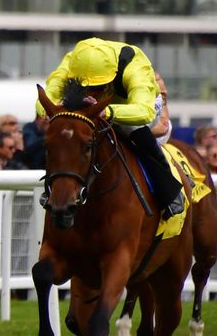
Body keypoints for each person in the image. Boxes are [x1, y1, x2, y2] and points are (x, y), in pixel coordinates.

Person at [40, 37, 183, 219]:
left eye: (98, 87)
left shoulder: (136, 66)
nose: (92, 93)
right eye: (86, 87)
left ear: (112, 75)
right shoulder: (71, 63)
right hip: (93, 109)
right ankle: (51, 190)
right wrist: (58, 109)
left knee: (135, 131)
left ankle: (169, 192)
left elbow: (144, 112)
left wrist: (106, 112)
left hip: (140, 105)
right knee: (65, 135)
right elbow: (43, 102)